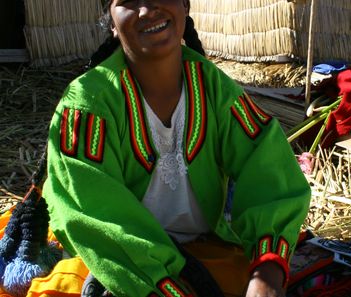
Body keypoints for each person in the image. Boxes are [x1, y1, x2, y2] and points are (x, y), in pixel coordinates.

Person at [42, 0, 311, 296]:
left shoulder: (214, 89)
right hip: (123, 265)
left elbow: (268, 166)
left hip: (206, 254)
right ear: (111, 23)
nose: (147, 10)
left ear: (185, 5)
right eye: (128, 2)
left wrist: (266, 274)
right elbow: (92, 216)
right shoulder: (87, 106)